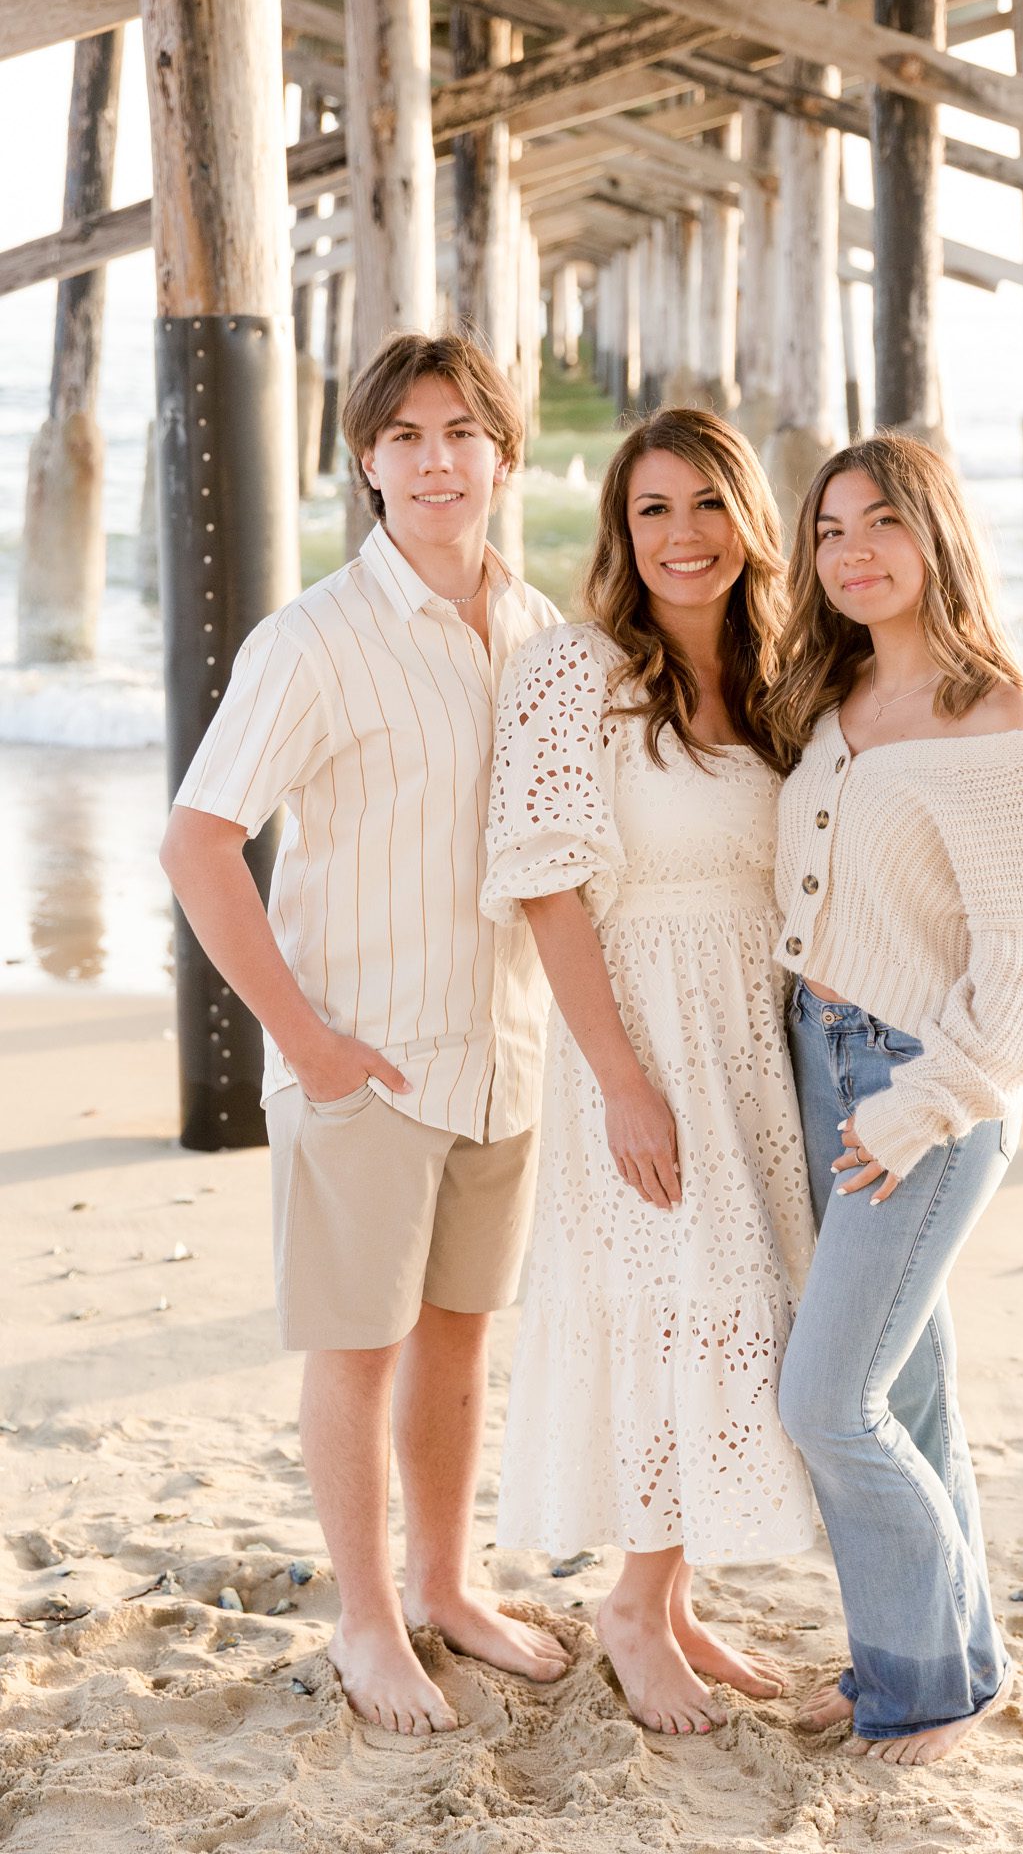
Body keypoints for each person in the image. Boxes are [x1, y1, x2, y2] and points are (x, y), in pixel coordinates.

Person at [160, 331, 570, 1737]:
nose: (436, 458)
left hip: (504, 1055)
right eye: (404, 434)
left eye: (461, 431)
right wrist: (310, 1042)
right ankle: (365, 1620)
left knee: (458, 1341)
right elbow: (200, 842)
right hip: (369, 1061)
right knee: (358, 1349)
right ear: (366, 463)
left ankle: (449, 1587)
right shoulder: (313, 640)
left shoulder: (542, 632)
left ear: (504, 458)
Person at [480, 409, 816, 1738]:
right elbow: (549, 891)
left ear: (749, 521)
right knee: (671, 1300)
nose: (681, 536)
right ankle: (630, 1601)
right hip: (638, 1038)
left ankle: (668, 1601)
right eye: (650, 510)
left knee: (732, 1308)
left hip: (750, 1041)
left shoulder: (781, 681)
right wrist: (621, 1080)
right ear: (620, 534)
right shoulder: (577, 675)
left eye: (705, 505)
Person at [766, 433, 1023, 1766]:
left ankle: (935, 1689)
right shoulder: (832, 702)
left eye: (882, 522)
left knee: (827, 1403)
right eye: (831, 527)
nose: (852, 549)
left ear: (936, 536)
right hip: (818, 1060)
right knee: (907, 1401)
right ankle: (922, 1656)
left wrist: (918, 1105)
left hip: (919, 1093)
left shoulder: (994, 719)